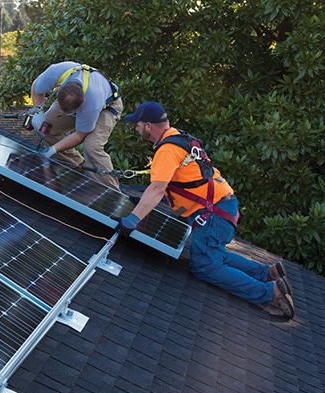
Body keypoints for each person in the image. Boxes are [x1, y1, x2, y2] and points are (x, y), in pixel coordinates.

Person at [115, 101, 295, 319]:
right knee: (214, 254)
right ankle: (268, 273)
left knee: (205, 266)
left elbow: (158, 188)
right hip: (222, 205)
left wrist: (133, 219)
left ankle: (271, 294)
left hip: (213, 213)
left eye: (137, 124)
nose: (135, 128)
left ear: (149, 126)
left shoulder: (167, 150)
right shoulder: (178, 137)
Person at [30, 61, 123, 191]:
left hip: (107, 107)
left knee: (92, 147)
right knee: (47, 128)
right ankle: (78, 169)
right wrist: (38, 112)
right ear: (60, 90)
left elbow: (80, 135)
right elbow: (36, 87)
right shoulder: (55, 73)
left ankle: (111, 193)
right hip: (76, 97)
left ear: (82, 102)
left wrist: (54, 149)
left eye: (68, 113)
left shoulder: (91, 103)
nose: (63, 114)